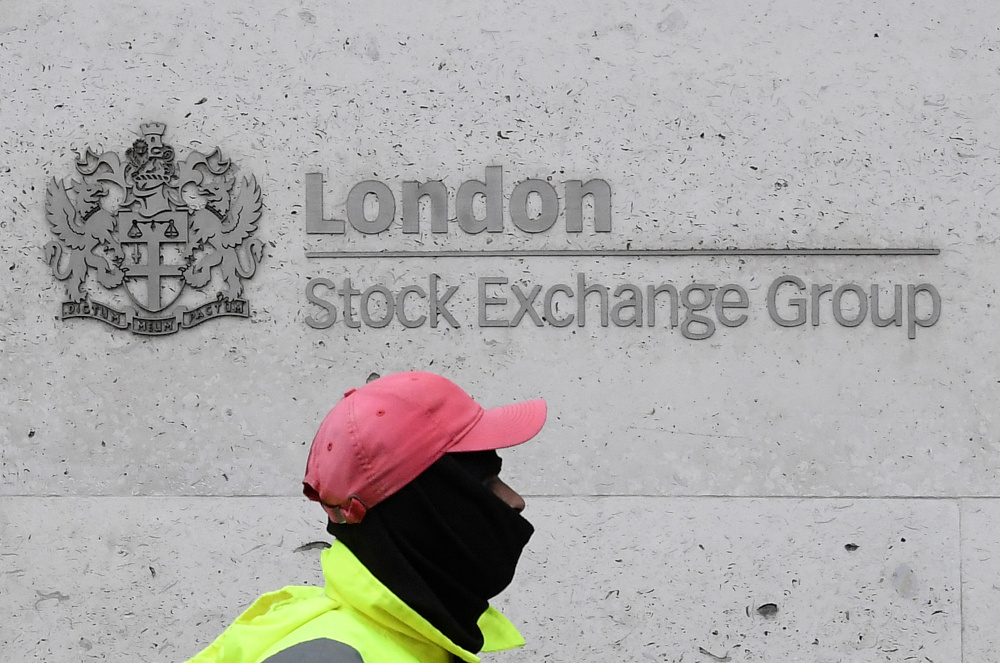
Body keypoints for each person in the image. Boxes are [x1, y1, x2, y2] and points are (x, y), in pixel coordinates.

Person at [183, 371, 547, 663]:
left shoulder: (410, 644)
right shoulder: (332, 656)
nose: (515, 501)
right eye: (486, 482)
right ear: (421, 514)